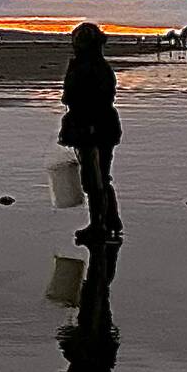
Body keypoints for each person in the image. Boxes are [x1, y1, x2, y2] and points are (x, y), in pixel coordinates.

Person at [60, 21, 123, 246]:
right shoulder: (98, 65)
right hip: (100, 126)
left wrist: (86, 126)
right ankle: (110, 221)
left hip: (93, 129)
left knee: (94, 180)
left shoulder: (90, 66)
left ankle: (99, 225)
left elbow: (85, 99)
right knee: (101, 178)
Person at [58, 241, 121, 372]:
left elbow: (79, 370)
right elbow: (81, 370)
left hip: (94, 339)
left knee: (97, 292)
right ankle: (102, 251)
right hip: (95, 339)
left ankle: (102, 250)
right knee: (97, 292)